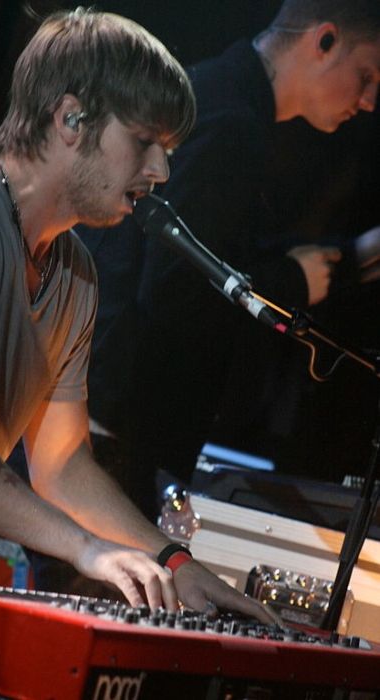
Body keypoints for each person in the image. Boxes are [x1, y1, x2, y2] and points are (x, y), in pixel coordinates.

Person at [0, 7, 276, 623]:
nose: (161, 171)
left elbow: (60, 465)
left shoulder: (76, 274)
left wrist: (173, 563)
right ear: (71, 118)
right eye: (145, 142)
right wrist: (87, 549)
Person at [83, 0, 380, 518]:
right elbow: (174, 289)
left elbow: (210, 249)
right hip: (116, 436)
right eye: (367, 74)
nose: (372, 100)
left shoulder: (221, 97)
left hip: (114, 427)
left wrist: (343, 259)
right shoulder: (231, 122)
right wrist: (290, 279)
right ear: (324, 41)